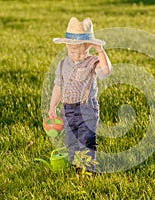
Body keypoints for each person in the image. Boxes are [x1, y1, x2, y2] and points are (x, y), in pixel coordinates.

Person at [48, 17, 112, 169]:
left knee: (86, 139)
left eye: (83, 51)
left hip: (87, 108)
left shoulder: (93, 62)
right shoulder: (63, 64)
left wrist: (100, 51)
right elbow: (58, 86)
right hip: (68, 109)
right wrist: (52, 106)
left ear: (89, 47)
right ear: (67, 46)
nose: (78, 55)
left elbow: (106, 71)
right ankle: (75, 166)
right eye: (73, 51)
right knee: (71, 140)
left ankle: (88, 168)